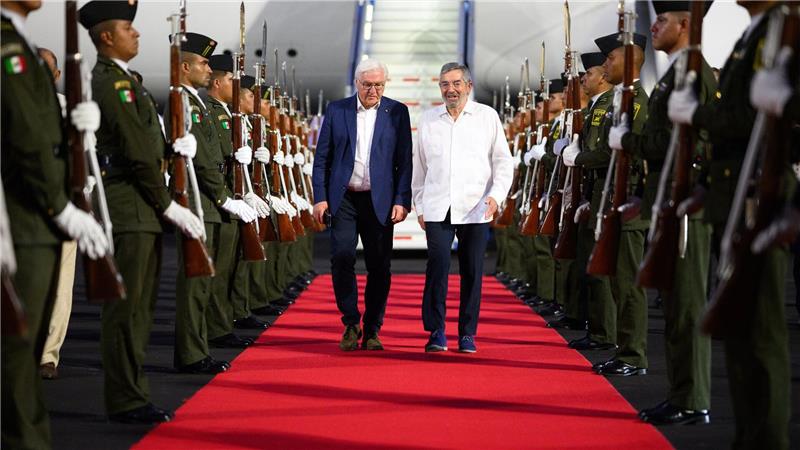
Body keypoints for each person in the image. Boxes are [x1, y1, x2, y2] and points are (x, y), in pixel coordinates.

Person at [668, 1, 790, 447]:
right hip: (731, 197)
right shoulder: (753, 35)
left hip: (760, 199)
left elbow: (743, 121)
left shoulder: (781, 30)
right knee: (740, 336)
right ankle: (751, 435)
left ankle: (768, 438)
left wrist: (696, 115)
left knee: (761, 340)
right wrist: (704, 183)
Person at [79, 0, 203, 424]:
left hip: (141, 206)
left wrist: (171, 149)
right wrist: (167, 202)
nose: (137, 34)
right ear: (107, 37)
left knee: (142, 309)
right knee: (127, 310)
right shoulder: (111, 82)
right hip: (129, 206)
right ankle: (125, 398)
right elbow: (133, 151)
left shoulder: (128, 80)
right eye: (128, 29)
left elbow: (145, 147)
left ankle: (133, 393)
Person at [2, 1, 109, 446]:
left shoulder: (17, 42)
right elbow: (26, 136)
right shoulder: (9, 47)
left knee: (23, 354)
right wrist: (61, 205)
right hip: (26, 218)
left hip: (39, 217)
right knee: (15, 353)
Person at [609, 0, 717, 424]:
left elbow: (695, 142)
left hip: (687, 205)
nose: (653, 27)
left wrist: (628, 143)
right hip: (666, 201)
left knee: (687, 305)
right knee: (674, 305)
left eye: (662, 20)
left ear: (686, 24)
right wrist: (644, 193)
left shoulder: (693, 72)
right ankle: (682, 394)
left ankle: (693, 400)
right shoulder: (675, 72)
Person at [169, 32, 263, 374]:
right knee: (197, 282)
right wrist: (225, 197)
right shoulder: (185, 102)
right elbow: (204, 161)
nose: (208, 69)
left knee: (213, 278)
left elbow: (216, 155)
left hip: (215, 199)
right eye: (203, 63)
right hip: (203, 200)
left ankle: (210, 335)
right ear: (184, 65)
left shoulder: (196, 103)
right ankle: (191, 352)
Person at [312, 58, 413, 351]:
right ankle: (350, 322)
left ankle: (372, 329)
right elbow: (323, 159)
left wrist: (401, 200)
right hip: (343, 198)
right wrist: (320, 197)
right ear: (357, 83)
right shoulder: (337, 110)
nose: (373, 90)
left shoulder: (397, 112)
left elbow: (403, 162)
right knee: (342, 256)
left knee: (379, 265)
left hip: (379, 199)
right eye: (368, 85)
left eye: (379, 85)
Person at [413, 62, 514, 353]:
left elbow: (502, 161)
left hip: (476, 206)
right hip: (437, 206)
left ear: (468, 86)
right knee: (438, 266)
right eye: (444, 84)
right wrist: (419, 204)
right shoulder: (429, 119)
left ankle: (467, 332)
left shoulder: (487, 117)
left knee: (472, 270)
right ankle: (435, 331)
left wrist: (496, 195)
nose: (450, 89)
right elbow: (418, 167)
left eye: (456, 83)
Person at [36, 46, 79, 381]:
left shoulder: (69, 109)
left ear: (57, 75)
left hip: (63, 206)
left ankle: (49, 354)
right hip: (21, 209)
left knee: (61, 286)